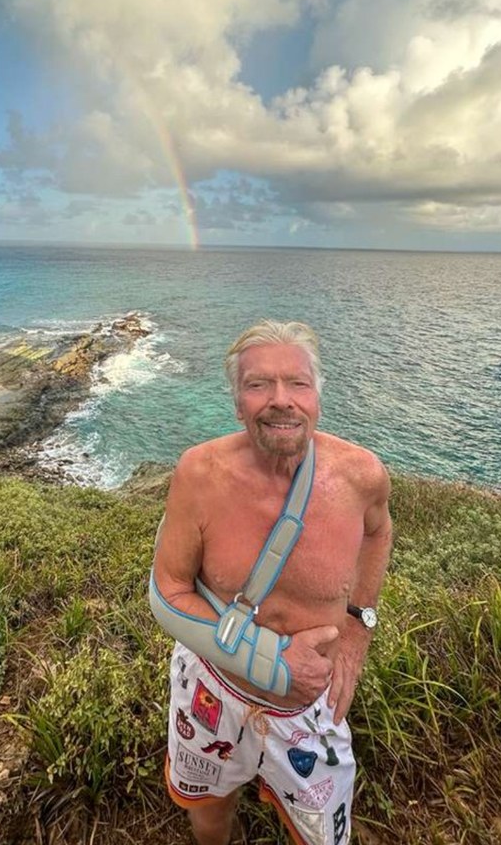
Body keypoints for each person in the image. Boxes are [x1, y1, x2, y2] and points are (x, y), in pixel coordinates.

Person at [151, 320, 392, 845]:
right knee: (209, 810)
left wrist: (358, 628)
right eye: (258, 385)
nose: (281, 400)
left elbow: (379, 532)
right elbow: (167, 590)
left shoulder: (360, 476)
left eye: (297, 384)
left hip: (310, 707)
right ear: (238, 403)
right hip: (211, 689)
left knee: (325, 834)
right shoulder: (199, 473)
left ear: (318, 397)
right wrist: (272, 663)